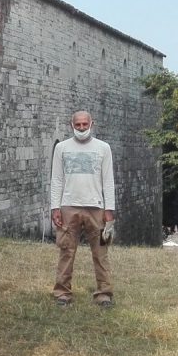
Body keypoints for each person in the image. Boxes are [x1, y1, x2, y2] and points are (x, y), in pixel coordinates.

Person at [50, 110, 116, 308]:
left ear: (91, 124)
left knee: (100, 252)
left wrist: (109, 209)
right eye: (77, 125)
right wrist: (55, 207)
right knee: (66, 251)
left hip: (96, 206)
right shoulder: (61, 148)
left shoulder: (103, 148)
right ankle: (62, 292)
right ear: (72, 125)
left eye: (84, 124)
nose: (81, 128)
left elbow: (108, 180)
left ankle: (104, 293)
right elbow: (57, 179)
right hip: (69, 205)